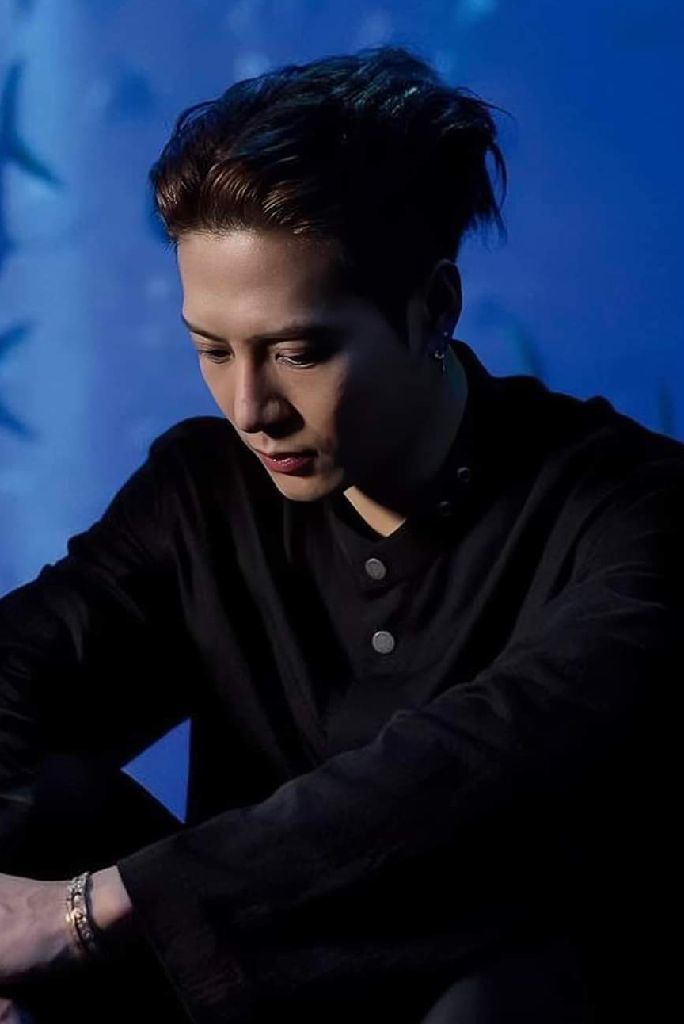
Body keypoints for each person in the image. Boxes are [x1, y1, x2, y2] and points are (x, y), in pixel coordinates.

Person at [0, 44, 681, 1023]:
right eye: (211, 350)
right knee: (42, 795)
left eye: (298, 351)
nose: (250, 407)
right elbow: (25, 662)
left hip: (498, 988)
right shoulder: (201, 490)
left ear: (432, 309)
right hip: (237, 1003)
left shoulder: (633, 508)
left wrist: (85, 912)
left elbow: (482, 769)